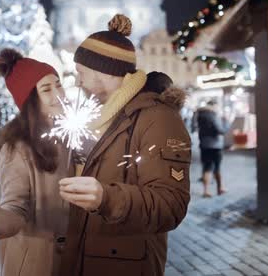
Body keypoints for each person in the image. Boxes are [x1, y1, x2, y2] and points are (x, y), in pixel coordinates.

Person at [58, 14, 191, 276]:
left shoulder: (158, 118)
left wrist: (106, 198)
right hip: (87, 259)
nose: (77, 80)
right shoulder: (101, 115)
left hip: (127, 265)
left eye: (81, 72)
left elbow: (171, 205)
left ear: (102, 71)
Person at [0, 49, 71, 276]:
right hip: (36, 264)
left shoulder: (71, 135)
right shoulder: (17, 147)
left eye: (58, 84)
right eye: (46, 89)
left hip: (72, 260)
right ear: (30, 100)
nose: (58, 93)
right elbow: (15, 208)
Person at [194, 99, 230, 198]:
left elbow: (195, 127)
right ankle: (220, 188)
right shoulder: (213, 115)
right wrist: (226, 123)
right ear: (214, 105)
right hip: (215, 146)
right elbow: (220, 130)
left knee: (207, 167)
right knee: (217, 168)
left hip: (204, 145)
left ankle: (206, 191)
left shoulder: (200, 115)